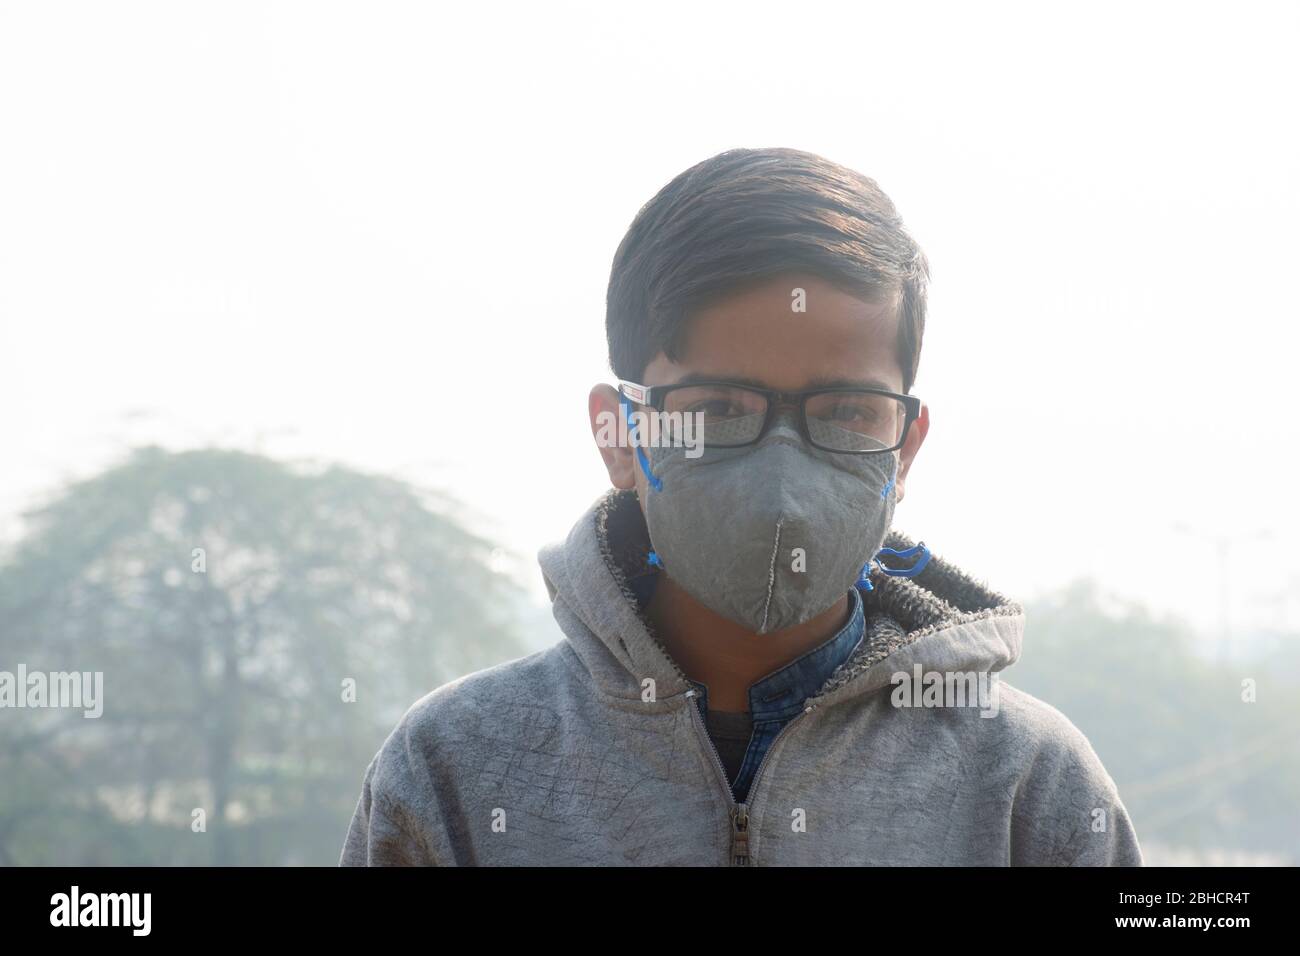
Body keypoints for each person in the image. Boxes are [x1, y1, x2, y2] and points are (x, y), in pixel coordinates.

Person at [340, 147, 1143, 866]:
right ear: (620, 435)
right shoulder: (458, 767)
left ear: (904, 449)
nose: (783, 480)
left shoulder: (1028, 788)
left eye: (846, 411)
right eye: (719, 408)